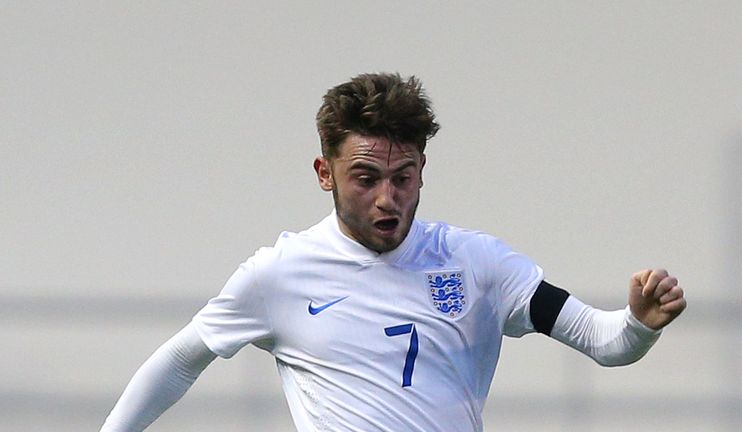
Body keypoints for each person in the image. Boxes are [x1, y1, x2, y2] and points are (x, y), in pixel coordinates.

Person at [100, 73, 687, 432]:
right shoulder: (278, 275)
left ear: (423, 170)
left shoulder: (476, 264)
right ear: (323, 173)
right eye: (365, 178)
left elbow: (603, 342)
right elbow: (180, 360)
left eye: (403, 176)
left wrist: (639, 323)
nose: (388, 198)